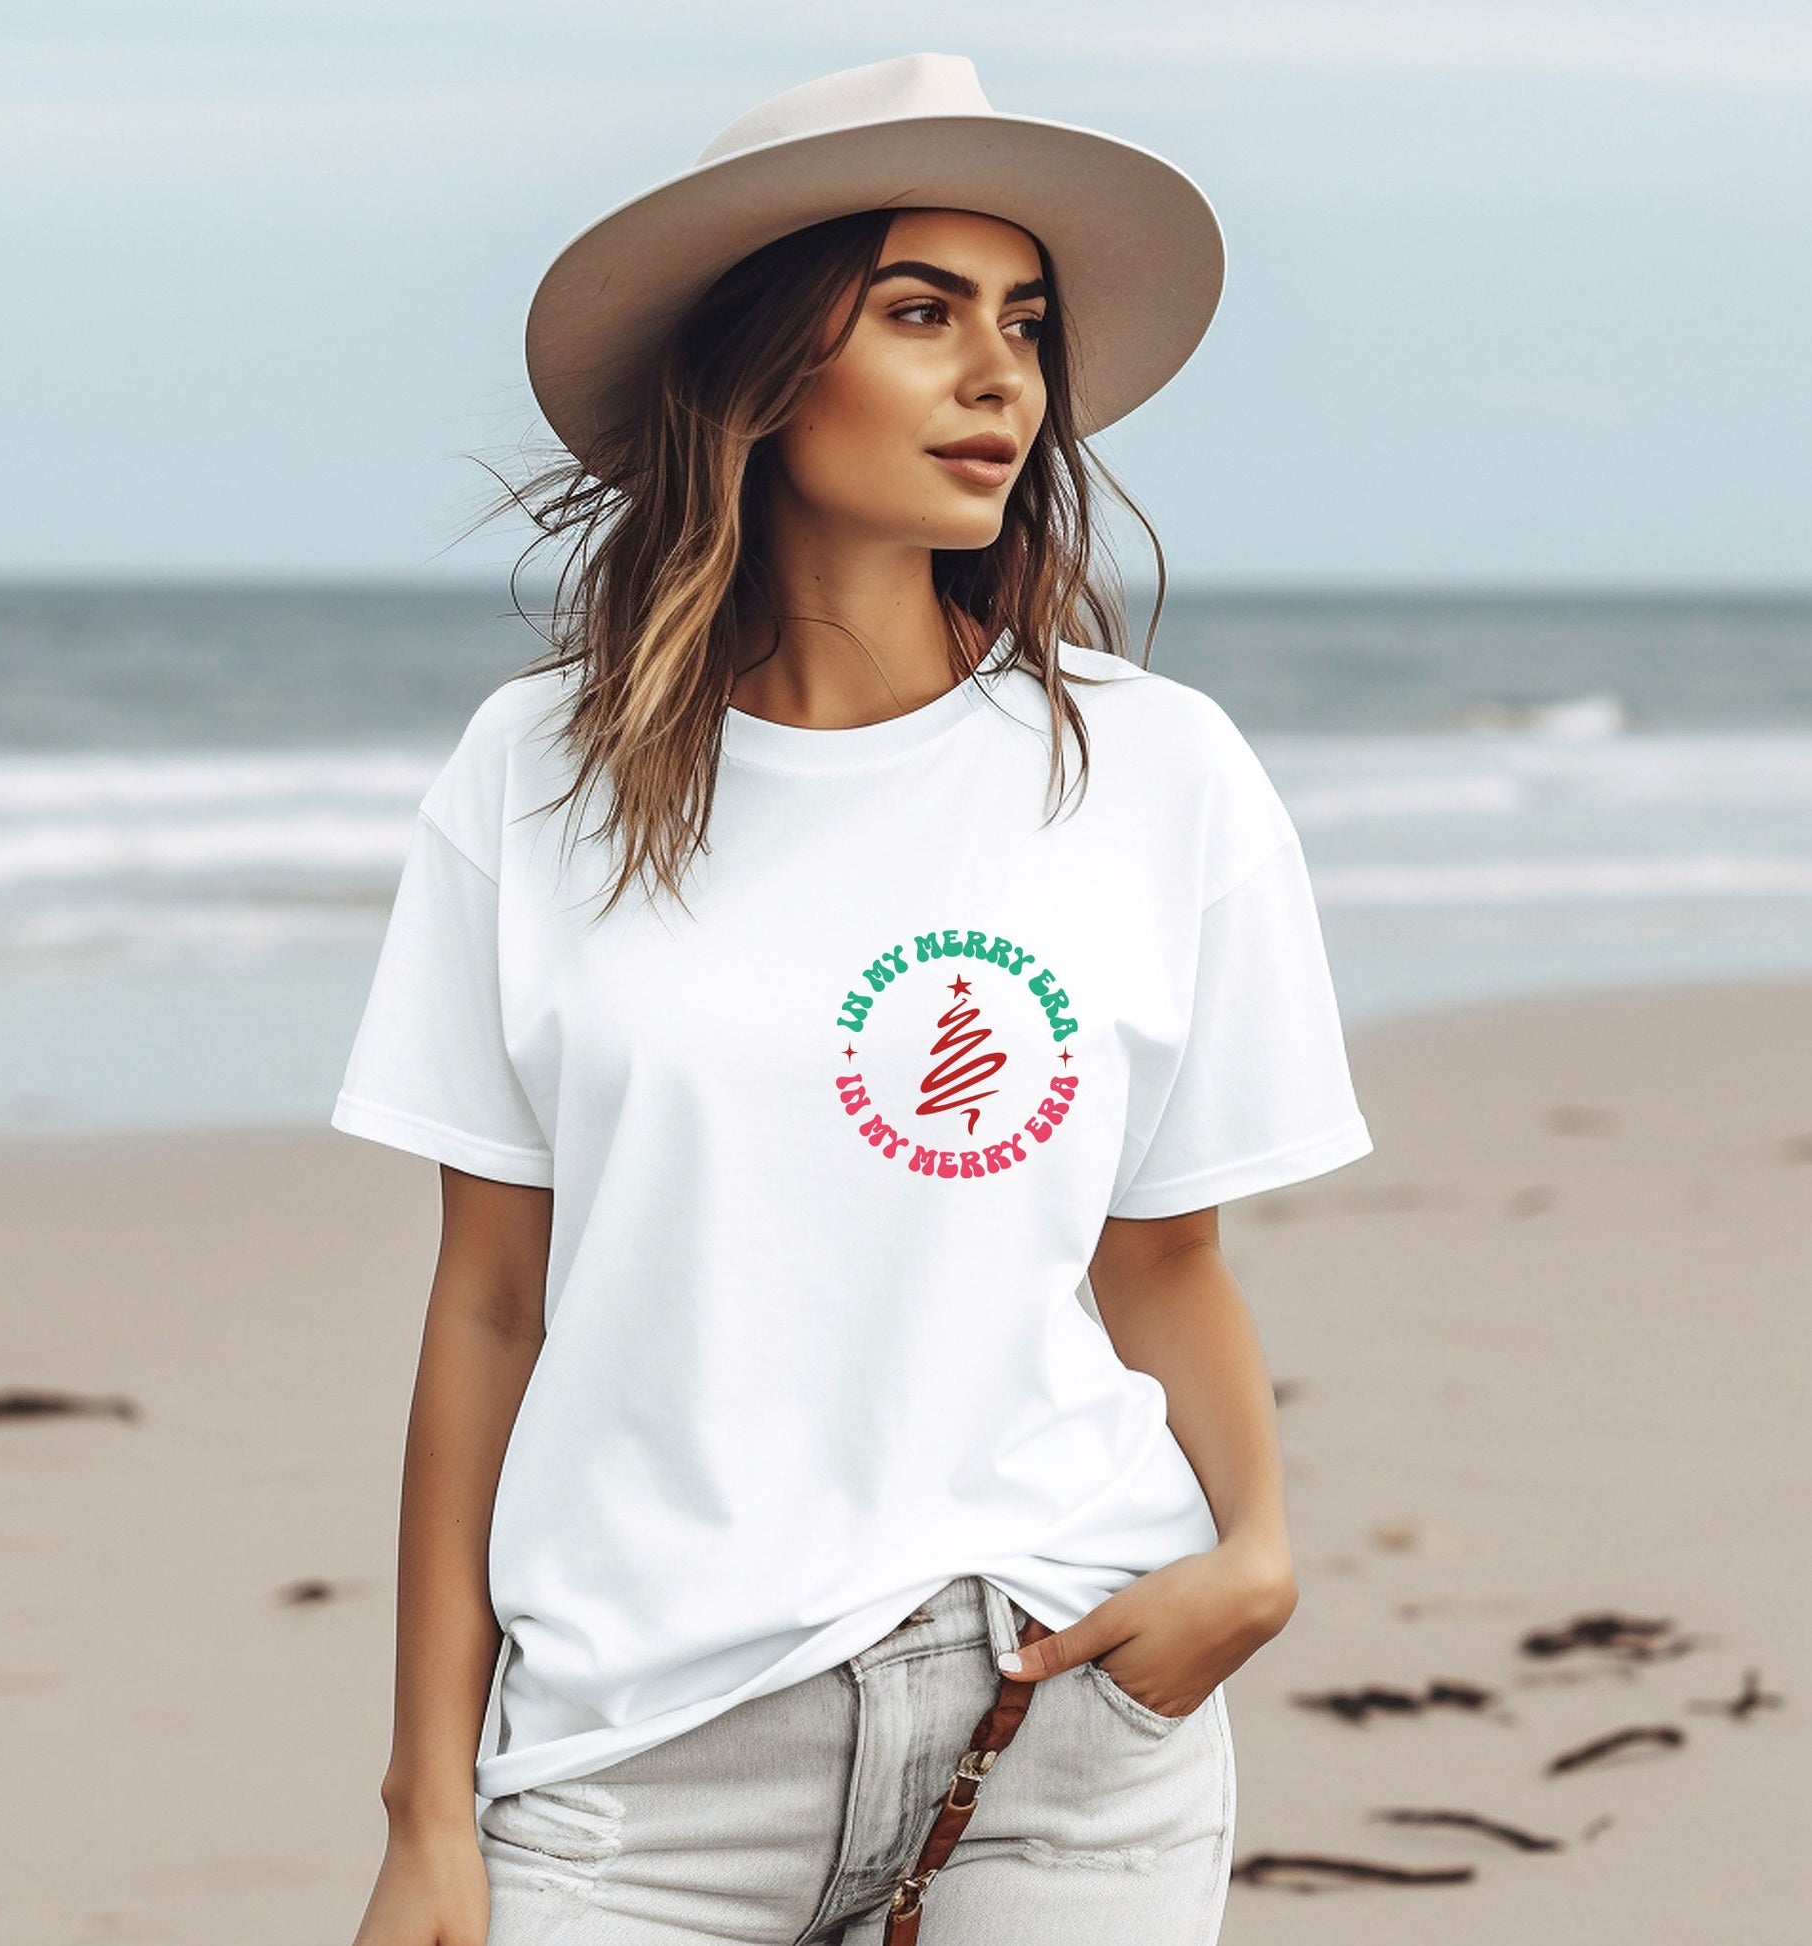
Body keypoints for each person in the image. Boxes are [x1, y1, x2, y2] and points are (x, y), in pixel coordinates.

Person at [332, 51, 1373, 1946]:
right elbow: (488, 1302)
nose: (1001, 377)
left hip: (1058, 1715)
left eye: (1025, 324)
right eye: (918, 311)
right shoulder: (534, 775)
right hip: (634, 1755)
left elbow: (1163, 1259)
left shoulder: (1155, 771)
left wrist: (1258, 1556)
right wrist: (427, 1809)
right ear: (757, 369)